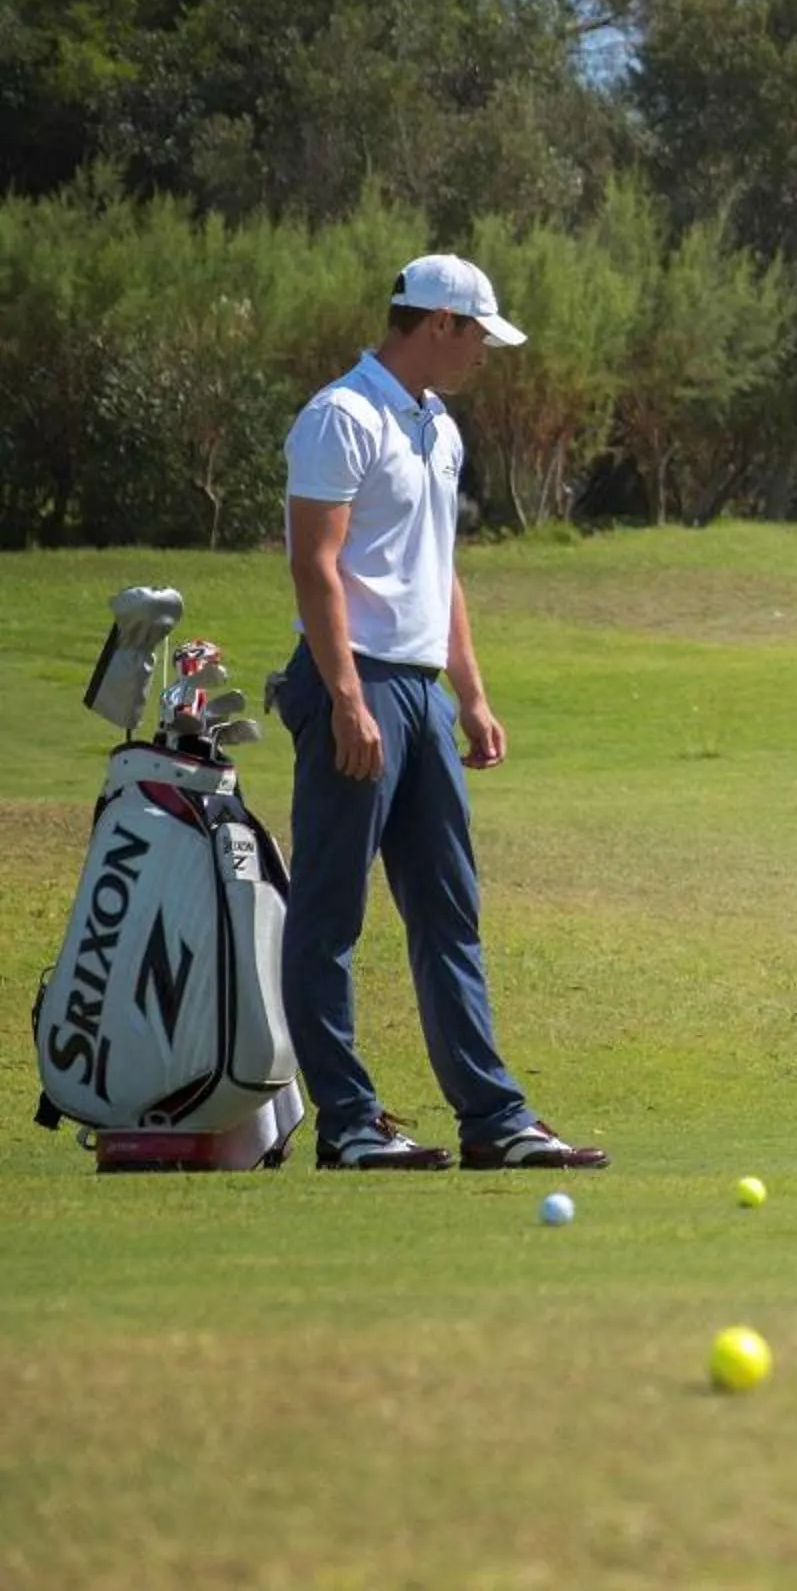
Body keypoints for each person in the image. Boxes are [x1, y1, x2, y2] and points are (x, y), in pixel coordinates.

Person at [274, 254, 606, 1172]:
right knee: (331, 915)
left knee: (449, 912)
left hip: (419, 690)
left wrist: (470, 690)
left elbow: (439, 566)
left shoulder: (438, 426)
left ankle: (493, 1120)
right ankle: (348, 1123)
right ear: (437, 325)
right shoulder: (342, 416)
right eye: (479, 338)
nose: (485, 357)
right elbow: (315, 563)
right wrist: (344, 695)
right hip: (358, 684)